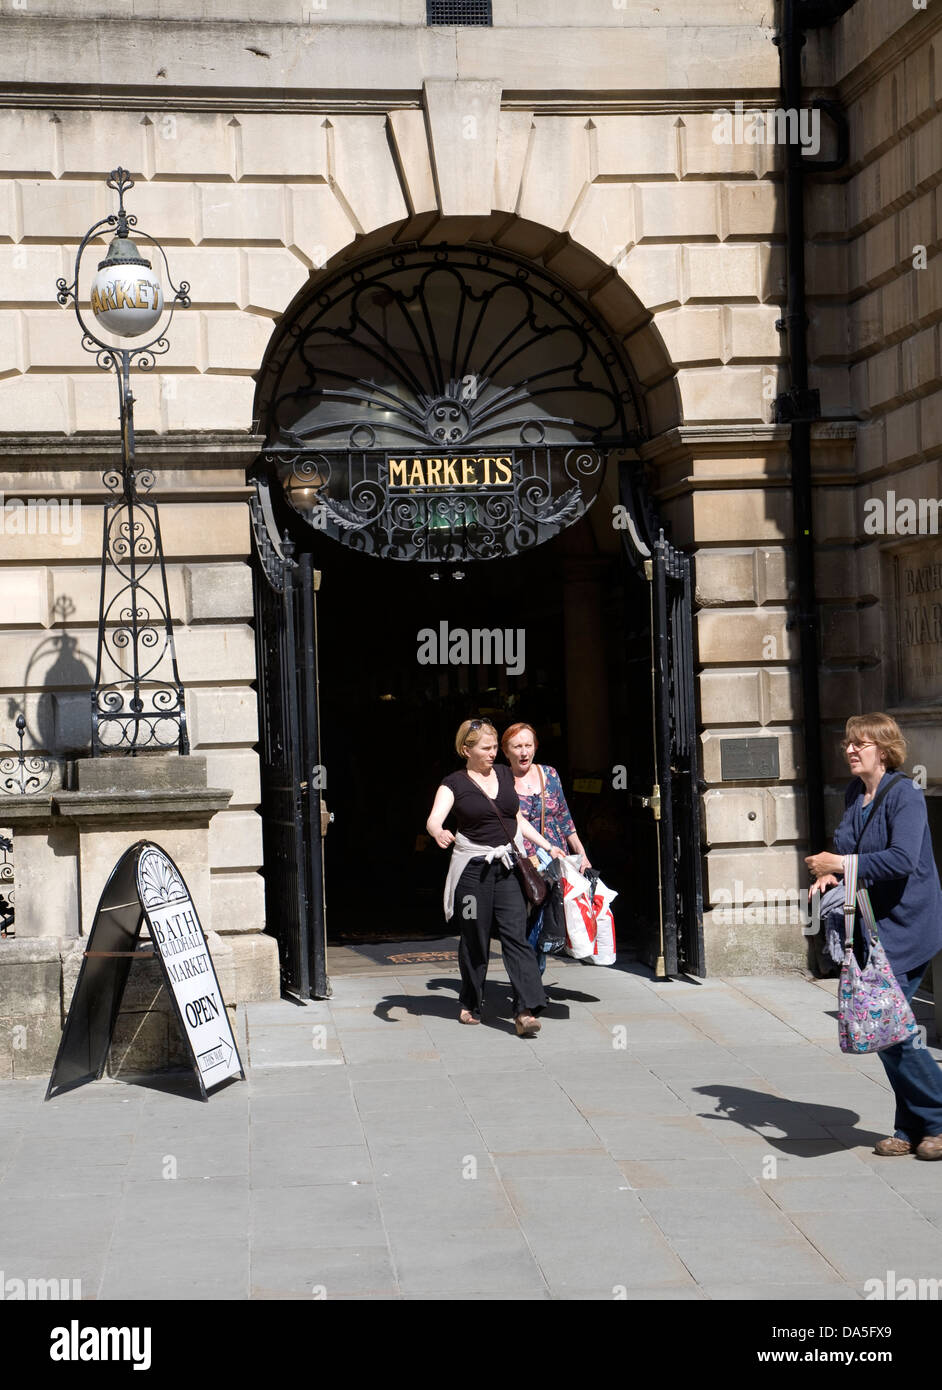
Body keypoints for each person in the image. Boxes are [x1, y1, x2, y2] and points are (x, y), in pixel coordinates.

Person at [806, 713, 942, 1160]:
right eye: (848, 743)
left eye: (859, 744)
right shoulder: (855, 794)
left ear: (883, 751)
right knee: (886, 1028)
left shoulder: (905, 795)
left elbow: (902, 858)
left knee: (888, 1029)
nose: (849, 750)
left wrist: (840, 866)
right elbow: (851, 846)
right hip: (869, 928)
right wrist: (831, 876)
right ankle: (911, 1129)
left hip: (908, 927)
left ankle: (934, 1119)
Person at [426, 718, 565, 1036]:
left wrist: (548, 846)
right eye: (486, 748)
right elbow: (434, 819)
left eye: (493, 748)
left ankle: (525, 1010)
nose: (493, 753)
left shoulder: (504, 774)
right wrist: (438, 832)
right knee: (475, 936)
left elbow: (514, 818)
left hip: (507, 869)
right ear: (466, 750)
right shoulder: (454, 784)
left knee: (516, 936)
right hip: (473, 872)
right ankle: (471, 1001)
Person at [502, 722, 591, 974]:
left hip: (551, 861)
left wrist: (581, 854)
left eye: (528, 745)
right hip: (519, 861)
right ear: (505, 751)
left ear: (536, 747)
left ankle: (533, 978)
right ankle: (526, 979)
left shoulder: (549, 775)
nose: (523, 752)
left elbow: (564, 818)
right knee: (520, 921)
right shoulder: (501, 780)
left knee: (543, 919)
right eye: (517, 746)